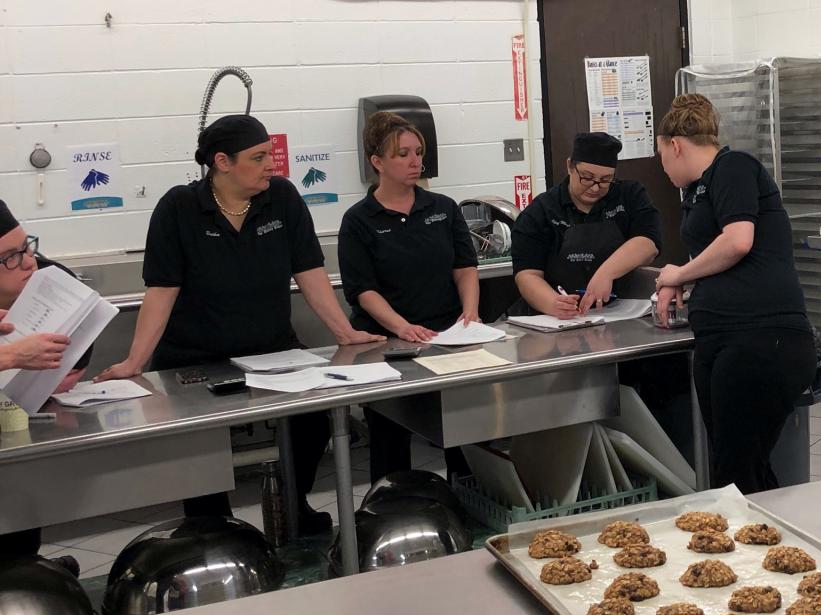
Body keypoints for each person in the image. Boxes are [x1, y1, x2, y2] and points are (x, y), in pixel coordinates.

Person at [97, 114, 384, 533]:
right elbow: (161, 290)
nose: (272, 165)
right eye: (259, 156)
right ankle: (212, 527)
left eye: (270, 154)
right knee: (198, 441)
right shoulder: (179, 208)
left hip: (272, 347)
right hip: (193, 355)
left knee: (311, 421)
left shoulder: (281, 199)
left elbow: (309, 272)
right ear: (223, 162)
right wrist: (134, 362)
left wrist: (345, 333)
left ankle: (292, 505)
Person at [654, 94, 818, 493]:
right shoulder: (699, 190)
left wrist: (678, 272)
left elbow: (738, 241)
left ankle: (767, 548)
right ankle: (761, 547)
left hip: (762, 338)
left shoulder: (734, 167)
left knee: (739, 471)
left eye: (661, 156)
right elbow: (715, 255)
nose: (662, 167)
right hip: (723, 338)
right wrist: (681, 279)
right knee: (738, 469)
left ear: (675, 145)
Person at [338, 111, 478, 482]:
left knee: (463, 434)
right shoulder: (358, 220)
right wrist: (402, 327)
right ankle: (389, 510)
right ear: (377, 162)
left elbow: (465, 268)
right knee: (390, 439)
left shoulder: (443, 208)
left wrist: (470, 314)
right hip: (387, 343)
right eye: (403, 154)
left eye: (419, 152)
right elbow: (362, 290)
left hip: (446, 337)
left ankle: (469, 504)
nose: (415, 161)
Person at [0, 199, 92, 573]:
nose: (27, 262)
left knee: (20, 521)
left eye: (27, 247)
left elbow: (79, 350)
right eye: (9, 257)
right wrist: (12, 357)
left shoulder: (48, 278)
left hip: (18, 435)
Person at [511, 132, 661, 317]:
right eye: (587, 177)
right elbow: (527, 274)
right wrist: (553, 304)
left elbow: (648, 243)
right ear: (569, 166)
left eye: (605, 180)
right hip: (554, 319)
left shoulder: (630, 196)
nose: (595, 187)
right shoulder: (541, 211)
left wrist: (606, 273)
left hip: (618, 315)